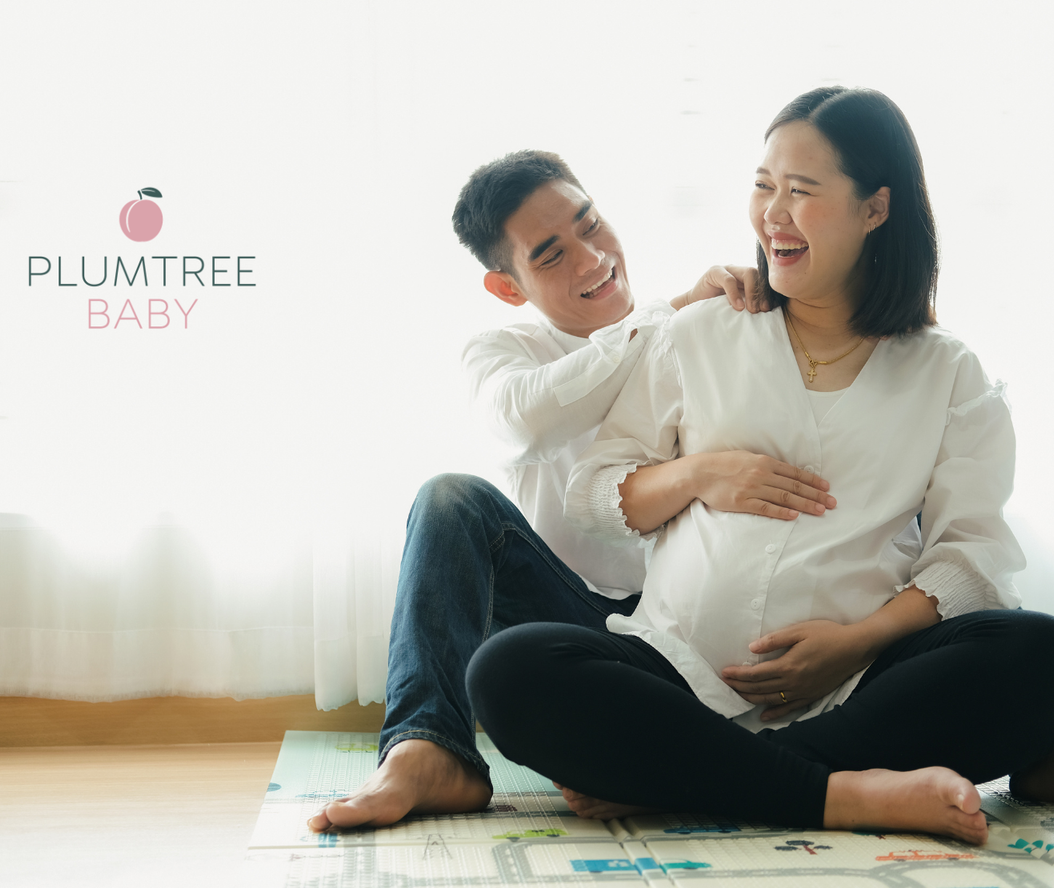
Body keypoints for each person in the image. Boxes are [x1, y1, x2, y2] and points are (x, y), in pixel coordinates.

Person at [466, 88, 1054, 846]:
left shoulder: (948, 373)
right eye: (763, 185)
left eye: (801, 192)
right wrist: (697, 474)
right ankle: (841, 794)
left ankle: (688, 773)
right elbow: (593, 493)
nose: (772, 213)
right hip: (673, 670)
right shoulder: (700, 332)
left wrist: (854, 644)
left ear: (875, 210)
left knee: (1041, 653)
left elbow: (972, 554)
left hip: (859, 684)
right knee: (509, 669)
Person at [308, 151, 837, 832]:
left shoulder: (699, 332)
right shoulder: (509, 350)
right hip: (560, 628)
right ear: (508, 286)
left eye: (592, 224)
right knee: (449, 500)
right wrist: (663, 314)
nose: (591, 259)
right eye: (553, 255)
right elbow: (521, 419)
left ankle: (660, 765)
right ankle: (427, 751)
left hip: (679, 632)